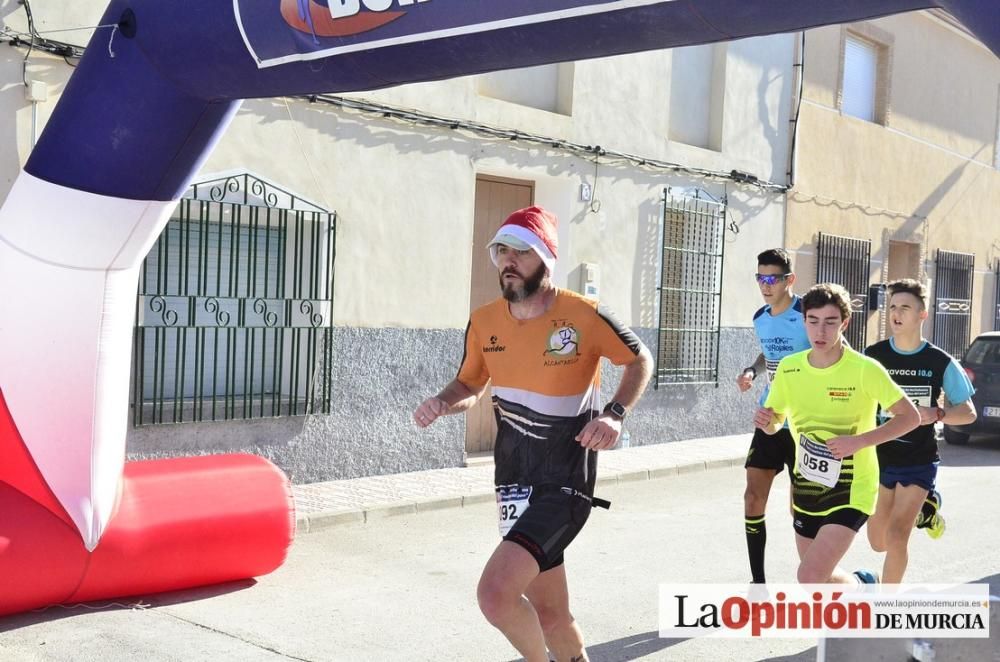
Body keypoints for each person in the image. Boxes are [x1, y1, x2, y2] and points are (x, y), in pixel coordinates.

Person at [413, 206, 653, 662]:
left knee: (496, 595)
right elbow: (469, 384)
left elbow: (639, 359)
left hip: (565, 482)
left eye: (522, 252)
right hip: (514, 482)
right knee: (552, 614)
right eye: (502, 250)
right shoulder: (484, 322)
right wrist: (443, 402)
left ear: (545, 259)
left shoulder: (584, 314)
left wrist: (615, 413)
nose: (509, 260)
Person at [753, 283, 920, 584]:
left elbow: (910, 416)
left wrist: (858, 441)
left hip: (852, 488)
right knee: (822, 578)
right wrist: (768, 421)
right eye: (813, 321)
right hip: (807, 486)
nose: (821, 332)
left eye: (830, 323)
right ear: (803, 321)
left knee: (809, 576)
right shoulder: (790, 369)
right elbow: (776, 420)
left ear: (844, 323)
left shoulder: (865, 369)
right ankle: (861, 585)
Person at [863, 279, 976, 583]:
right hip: (880, 459)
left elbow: (968, 413)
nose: (896, 314)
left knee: (898, 537)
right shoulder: (873, 356)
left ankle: (886, 612)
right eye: (893, 307)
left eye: (905, 307)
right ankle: (927, 512)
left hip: (919, 459)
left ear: (922, 315)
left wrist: (936, 413)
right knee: (878, 542)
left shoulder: (939, 361)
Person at [736, 248, 810, 584]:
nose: (765, 285)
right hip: (771, 414)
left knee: (802, 509)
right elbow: (769, 355)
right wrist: (752, 370)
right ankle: (758, 583)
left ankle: (817, 579)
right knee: (753, 496)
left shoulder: (810, 312)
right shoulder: (760, 317)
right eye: (760, 278)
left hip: (806, 421)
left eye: (772, 279)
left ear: (789, 280)